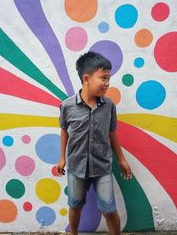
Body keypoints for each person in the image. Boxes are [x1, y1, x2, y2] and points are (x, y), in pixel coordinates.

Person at [56, 51, 132, 235]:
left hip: (102, 166)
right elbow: (64, 130)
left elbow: (112, 132)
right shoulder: (67, 106)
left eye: (109, 78)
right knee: (74, 204)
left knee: (108, 208)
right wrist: (62, 158)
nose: (107, 83)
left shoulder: (109, 106)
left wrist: (121, 159)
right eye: (103, 78)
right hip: (76, 165)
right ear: (87, 78)